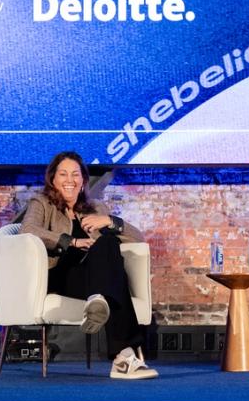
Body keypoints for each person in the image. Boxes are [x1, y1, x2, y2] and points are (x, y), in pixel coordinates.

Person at [21, 151, 157, 379]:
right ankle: (124, 357)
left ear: (83, 180)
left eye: (75, 174)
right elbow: (28, 230)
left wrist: (111, 222)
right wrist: (71, 241)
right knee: (115, 280)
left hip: (91, 275)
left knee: (108, 243)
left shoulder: (94, 208)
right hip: (59, 275)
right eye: (63, 174)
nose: (69, 180)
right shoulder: (42, 203)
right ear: (53, 179)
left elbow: (138, 238)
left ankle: (98, 302)